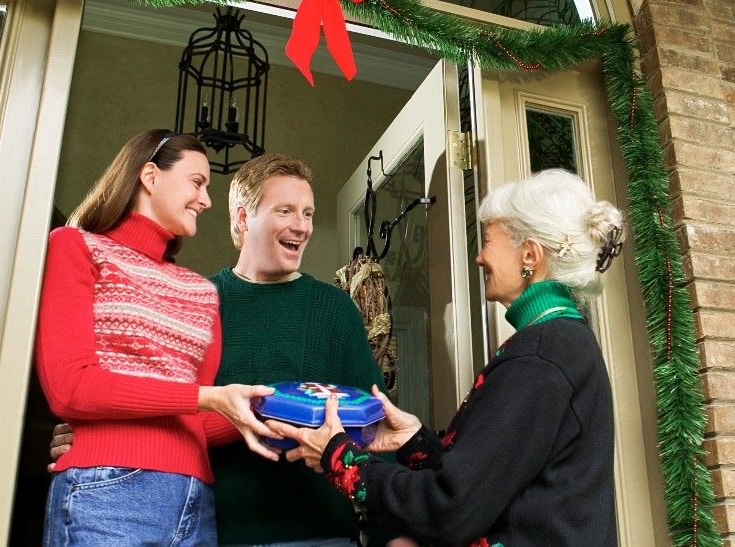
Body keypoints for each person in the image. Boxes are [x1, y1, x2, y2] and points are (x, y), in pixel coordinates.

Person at [49, 153, 411, 547]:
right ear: (242, 218)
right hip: (207, 528)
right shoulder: (190, 298)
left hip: (318, 532)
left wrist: (395, 531)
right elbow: (151, 400)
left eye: (307, 213)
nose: (302, 226)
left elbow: (376, 420)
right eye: (285, 210)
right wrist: (95, 434)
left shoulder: (334, 309)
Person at [269, 168, 623, 547]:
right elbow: (490, 479)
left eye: (488, 241)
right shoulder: (563, 343)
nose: (479, 257)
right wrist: (414, 442)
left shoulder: (540, 356)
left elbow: (449, 511)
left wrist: (338, 457)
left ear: (530, 255)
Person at [36, 129, 279, 546]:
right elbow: (71, 388)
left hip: (194, 501)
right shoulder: (77, 247)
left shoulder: (202, 292)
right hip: (107, 493)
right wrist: (206, 397)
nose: (205, 201)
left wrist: (272, 411)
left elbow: (196, 420)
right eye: (197, 182)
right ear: (150, 176)